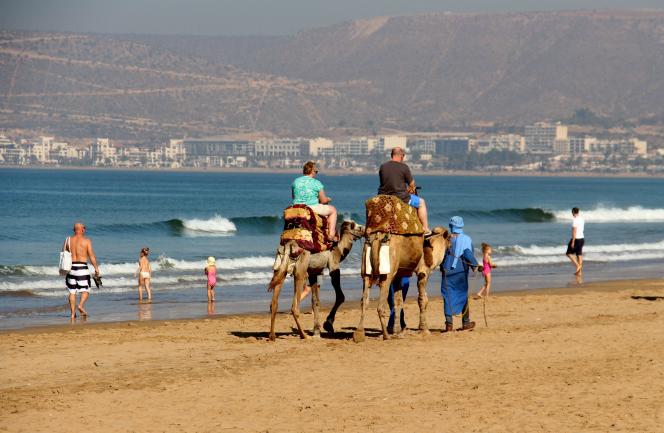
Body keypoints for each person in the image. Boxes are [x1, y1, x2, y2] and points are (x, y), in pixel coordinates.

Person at [378, 147, 430, 234]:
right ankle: (425, 228)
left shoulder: (382, 167)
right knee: (421, 203)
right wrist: (410, 189)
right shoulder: (404, 167)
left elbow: (385, 183)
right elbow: (412, 184)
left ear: (391, 155)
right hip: (401, 197)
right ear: (402, 156)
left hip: (384, 197)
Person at [440, 216, 478, 332]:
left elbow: (440, 256)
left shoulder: (446, 239)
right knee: (463, 296)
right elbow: (467, 254)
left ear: (451, 226)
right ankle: (466, 322)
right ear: (461, 225)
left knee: (448, 297)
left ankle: (449, 325)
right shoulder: (466, 239)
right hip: (460, 272)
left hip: (447, 271)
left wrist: (442, 267)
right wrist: (475, 265)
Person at [292, 161, 338, 241]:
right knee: (333, 210)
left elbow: (294, 196)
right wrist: (328, 199)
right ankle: (331, 235)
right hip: (311, 207)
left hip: (297, 207)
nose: (316, 173)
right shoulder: (316, 183)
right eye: (316, 171)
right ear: (312, 171)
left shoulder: (296, 181)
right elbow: (323, 201)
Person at [63, 222, 100, 320]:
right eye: (84, 228)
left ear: (74, 229)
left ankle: (72, 314)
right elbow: (91, 255)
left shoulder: (68, 240)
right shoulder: (86, 241)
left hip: (71, 268)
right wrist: (96, 268)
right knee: (86, 290)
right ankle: (80, 305)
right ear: (82, 229)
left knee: (72, 292)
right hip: (82, 268)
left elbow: (64, 255)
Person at [566, 207, 585, 275]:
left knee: (568, 253)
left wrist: (573, 241)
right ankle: (579, 272)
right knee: (579, 254)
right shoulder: (582, 219)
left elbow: (574, 231)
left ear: (573, 212)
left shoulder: (575, 220)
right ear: (578, 212)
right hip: (582, 238)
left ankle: (578, 265)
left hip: (576, 239)